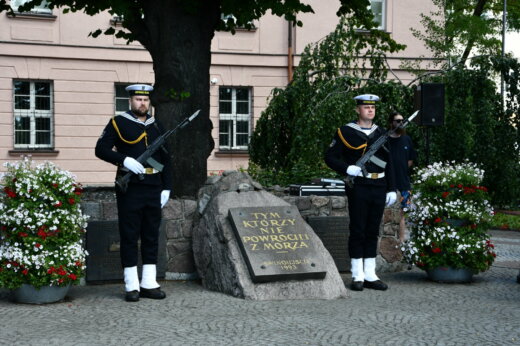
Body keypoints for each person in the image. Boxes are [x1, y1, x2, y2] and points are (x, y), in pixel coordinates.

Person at [95, 84, 172, 302]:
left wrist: (167, 186)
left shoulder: (156, 124)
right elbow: (100, 149)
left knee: (151, 234)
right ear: (130, 101)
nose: (143, 103)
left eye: (146, 100)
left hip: (154, 186)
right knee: (129, 235)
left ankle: (149, 282)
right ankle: (131, 285)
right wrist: (124, 160)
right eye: (138, 99)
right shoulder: (118, 123)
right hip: (131, 188)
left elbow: (167, 159)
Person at [325, 94, 397, 291]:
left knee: (373, 229)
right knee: (358, 229)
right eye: (366, 107)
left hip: (379, 185)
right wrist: (347, 168)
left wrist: (391, 188)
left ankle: (370, 274)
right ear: (358, 110)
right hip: (359, 186)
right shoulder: (345, 132)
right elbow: (330, 157)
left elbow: (390, 163)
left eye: (372, 107)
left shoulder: (381, 133)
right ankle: (357, 274)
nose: (370, 110)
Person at [387, 112, 417, 243]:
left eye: (402, 120)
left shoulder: (407, 139)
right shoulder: (384, 140)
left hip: (404, 183)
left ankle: (401, 242)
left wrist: (402, 168)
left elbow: (411, 159)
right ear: (391, 123)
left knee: (403, 213)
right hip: (386, 183)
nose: (401, 123)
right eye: (397, 121)